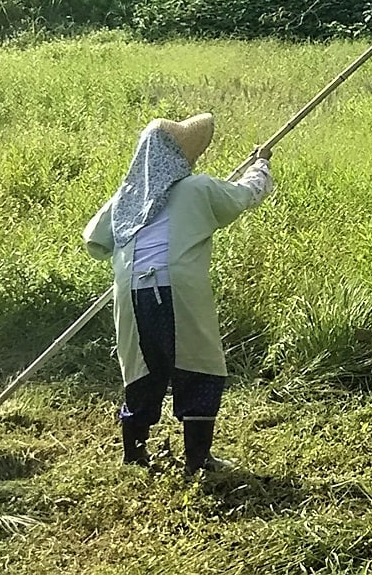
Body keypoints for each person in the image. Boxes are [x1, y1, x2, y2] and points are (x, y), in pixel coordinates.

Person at [83, 113, 273, 474]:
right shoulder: (196, 189)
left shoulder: (127, 197)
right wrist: (260, 164)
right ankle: (198, 462)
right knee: (197, 365)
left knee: (143, 369)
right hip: (177, 288)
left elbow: (95, 238)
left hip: (131, 293)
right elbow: (244, 195)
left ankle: (134, 457)